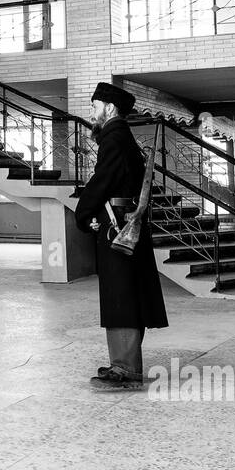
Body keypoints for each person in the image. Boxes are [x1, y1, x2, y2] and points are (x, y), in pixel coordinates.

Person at [74, 81, 169, 390]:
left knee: (121, 297)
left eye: (94, 106)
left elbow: (103, 181)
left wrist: (83, 212)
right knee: (125, 294)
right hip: (125, 224)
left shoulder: (114, 138)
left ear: (109, 108)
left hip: (118, 229)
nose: (92, 111)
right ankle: (125, 365)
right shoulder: (120, 137)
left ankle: (125, 369)